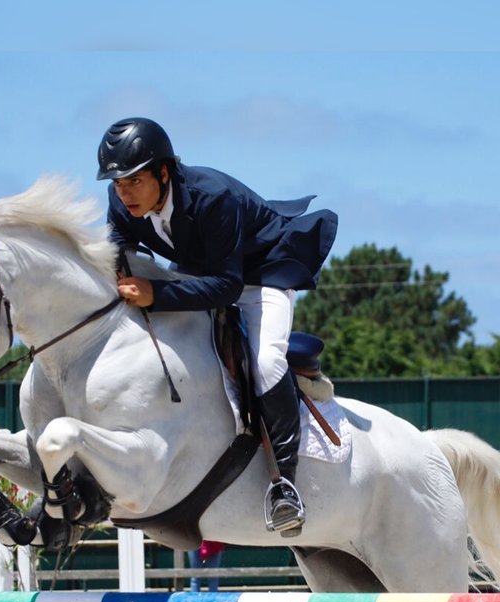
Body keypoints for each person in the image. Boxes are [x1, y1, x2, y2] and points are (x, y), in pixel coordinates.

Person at [96, 117, 338, 537]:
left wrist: (156, 293)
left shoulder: (213, 198)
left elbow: (227, 286)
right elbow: (118, 251)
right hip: (196, 273)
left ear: (164, 172)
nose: (124, 192)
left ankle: (284, 484)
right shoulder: (122, 204)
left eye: (133, 181)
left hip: (260, 276)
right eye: (117, 183)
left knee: (264, 361)